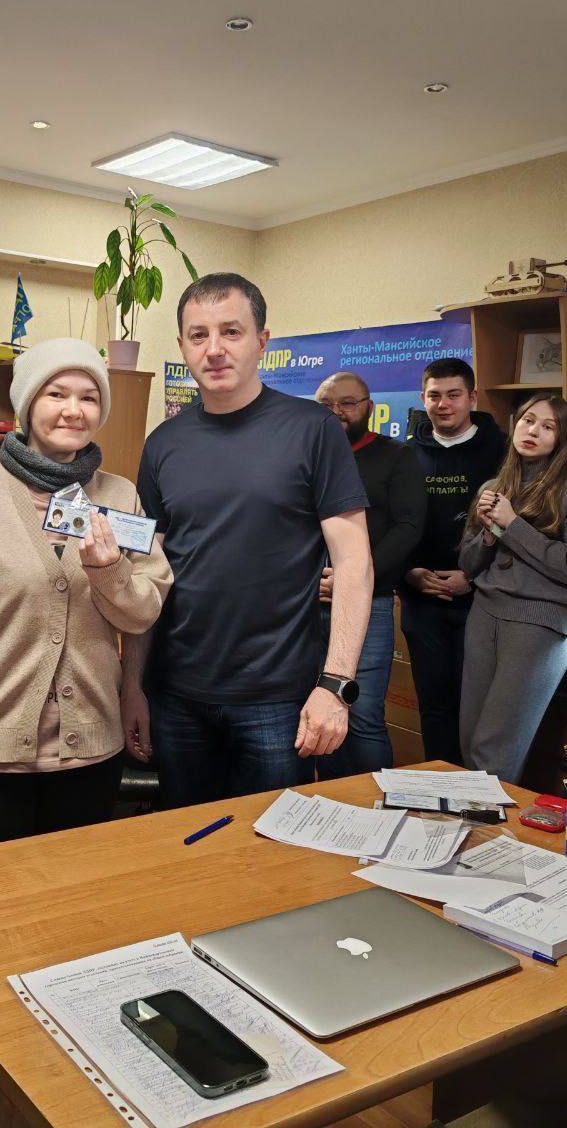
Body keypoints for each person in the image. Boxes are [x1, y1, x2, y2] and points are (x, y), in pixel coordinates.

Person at [0, 338, 172, 849]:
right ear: (27, 404)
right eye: (56, 394)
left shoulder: (121, 496)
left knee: (73, 889)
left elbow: (143, 612)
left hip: (90, 750)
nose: (74, 410)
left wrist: (109, 571)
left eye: (89, 398)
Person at [124, 273, 373, 809]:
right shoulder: (162, 444)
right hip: (177, 695)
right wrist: (133, 685)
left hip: (278, 699)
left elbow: (355, 562)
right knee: (185, 840)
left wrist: (335, 685)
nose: (214, 349)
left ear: (262, 341)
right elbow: (147, 569)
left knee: (269, 848)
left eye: (231, 331)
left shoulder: (313, 429)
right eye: (198, 335)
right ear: (183, 346)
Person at [459, 394, 567, 782]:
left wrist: (512, 524)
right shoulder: (493, 487)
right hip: (484, 616)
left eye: (548, 426)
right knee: (469, 741)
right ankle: (478, 820)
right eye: (528, 420)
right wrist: (489, 531)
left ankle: (490, 823)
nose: (533, 430)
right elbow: (468, 565)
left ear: (561, 438)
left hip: (537, 626)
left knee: (494, 752)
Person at [314, 371, 426, 776]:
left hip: (370, 604)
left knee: (360, 716)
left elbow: (408, 527)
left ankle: (372, 804)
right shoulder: (309, 457)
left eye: (347, 403)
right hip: (307, 605)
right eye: (326, 405)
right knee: (315, 714)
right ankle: (328, 800)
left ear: (369, 408)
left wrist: (354, 579)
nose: (337, 412)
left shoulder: (396, 457)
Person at [400, 358, 506, 764]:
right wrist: (409, 573)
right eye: (434, 395)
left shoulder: (502, 452)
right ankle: (439, 784)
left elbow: (516, 527)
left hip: (482, 601)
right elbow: (394, 523)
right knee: (433, 704)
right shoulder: (406, 454)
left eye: (453, 395)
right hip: (421, 600)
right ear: (422, 398)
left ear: (472, 397)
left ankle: (472, 791)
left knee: (476, 707)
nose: (443, 404)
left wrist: (472, 577)